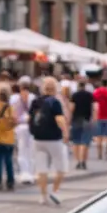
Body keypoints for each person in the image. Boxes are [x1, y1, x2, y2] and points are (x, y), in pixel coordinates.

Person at [29, 75, 68, 205]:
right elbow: (59, 119)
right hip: (54, 139)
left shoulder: (36, 101)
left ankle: (43, 195)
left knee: (41, 169)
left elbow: (30, 119)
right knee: (61, 168)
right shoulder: (55, 102)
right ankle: (55, 191)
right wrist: (66, 132)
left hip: (38, 139)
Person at [0, 85, 18, 191]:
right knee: (9, 161)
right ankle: (10, 182)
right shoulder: (11, 108)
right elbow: (15, 121)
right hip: (9, 138)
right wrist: (9, 125)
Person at [68, 78, 94, 169]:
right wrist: (93, 119)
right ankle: (84, 161)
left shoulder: (74, 95)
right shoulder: (90, 95)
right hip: (87, 119)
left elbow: (71, 108)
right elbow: (93, 107)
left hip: (76, 120)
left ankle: (78, 161)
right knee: (85, 142)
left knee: (76, 142)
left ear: (78, 85)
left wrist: (69, 119)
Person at [91, 78, 107, 160]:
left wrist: (94, 116)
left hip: (99, 116)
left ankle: (99, 154)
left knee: (99, 137)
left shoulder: (96, 92)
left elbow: (94, 105)